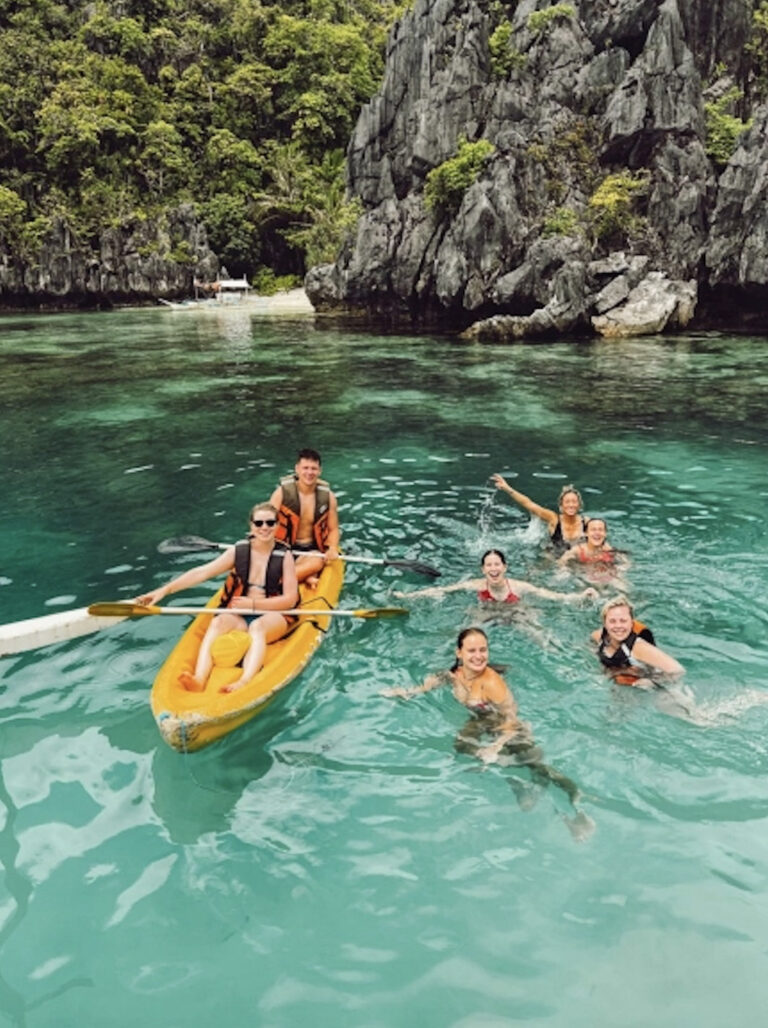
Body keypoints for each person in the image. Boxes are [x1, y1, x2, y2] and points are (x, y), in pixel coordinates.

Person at [381, 628, 593, 838]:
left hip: (508, 730)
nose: (478, 656)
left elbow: (512, 720)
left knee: (536, 766)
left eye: (483, 650)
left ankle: (574, 798)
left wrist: (495, 746)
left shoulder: (492, 683)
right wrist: (407, 692)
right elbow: (434, 682)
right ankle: (516, 781)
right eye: (472, 650)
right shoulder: (454, 674)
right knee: (462, 747)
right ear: (459, 653)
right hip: (481, 721)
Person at [136, 503, 298, 693]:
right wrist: (164, 591)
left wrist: (254, 604)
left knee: (258, 627)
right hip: (241, 614)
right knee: (218, 622)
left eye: (270, 523)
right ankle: (199, 679)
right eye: (259, 522)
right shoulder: (238, 552)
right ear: (251, 525)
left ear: (277, 526)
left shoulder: (284, 556)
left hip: (272, 615)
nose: (264, 527)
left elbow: (290, 600)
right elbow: (201, 573)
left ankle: (244, 681)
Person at [394, 549, 597, 606]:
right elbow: (442, 590)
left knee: (538, 633)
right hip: (486, 611)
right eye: (489, 565)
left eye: (497, 564)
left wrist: (582, 595)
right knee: (469, 630)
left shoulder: (519, 587)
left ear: (504, 567)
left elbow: (553, 596)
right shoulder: (475, 585)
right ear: (483, 570)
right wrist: (409, 597)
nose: (493, 568)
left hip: (515, 611)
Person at [269, 448, 340, 588]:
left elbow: (333, 529)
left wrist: (332, 548)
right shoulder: (281, 493)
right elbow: (265, 521)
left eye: (314, 469)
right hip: (284, 547)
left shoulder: (328, 497)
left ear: (320, 471)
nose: (309, 473)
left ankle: (279, 582)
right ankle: (306, 576)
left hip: (311, 550)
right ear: (297, 469)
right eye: (305, 468)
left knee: (317, 561)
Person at [591, 595, 683, 686]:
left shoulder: (638, 648)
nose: (618, 626)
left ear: (631, 623)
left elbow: (677, 670)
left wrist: (651, 681)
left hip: (653, 689)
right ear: (604, 623)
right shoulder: (598, 636)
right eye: (612, 621)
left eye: (623, 621)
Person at [491, 475, 587, 549]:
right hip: (554, 559)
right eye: (567, 502)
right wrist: (507, 488)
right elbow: (528, 504)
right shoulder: (553, 519)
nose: (571, 505)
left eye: (574, 502)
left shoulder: (586, 522)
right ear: (561, 506)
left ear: (579, 505)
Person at [559, 517, 629, 587]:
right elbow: (562, 561)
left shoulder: (609, 550)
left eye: (600, 530)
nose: (597, 533)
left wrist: (621, 570)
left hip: (607, 574)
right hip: (584, 574)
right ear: (586, 533)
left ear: (605, 533)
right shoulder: (577, 550)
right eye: (593, 530)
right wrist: (564, 570)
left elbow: (626, 563)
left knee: (622, 587)